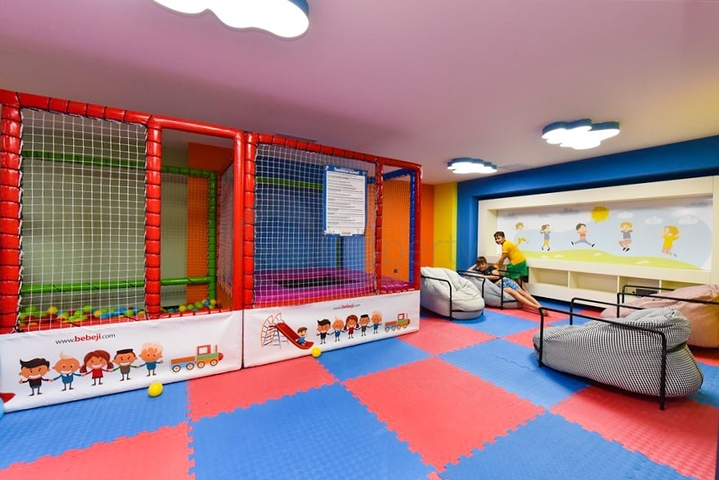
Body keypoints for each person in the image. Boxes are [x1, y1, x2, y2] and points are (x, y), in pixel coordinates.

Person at [472, 256, 543, 312]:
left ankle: (540, 306)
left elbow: (497, 276)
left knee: (523, 293)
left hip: (505, 280)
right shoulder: (479, 271)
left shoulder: (490, 268)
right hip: (499, 285)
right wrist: (475, 265)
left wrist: (485, 276)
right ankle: (536, 307)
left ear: (486, 263)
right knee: (514, 293)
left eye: (482, 264)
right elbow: (468, 271)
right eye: (479, 265)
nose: (481, 266)